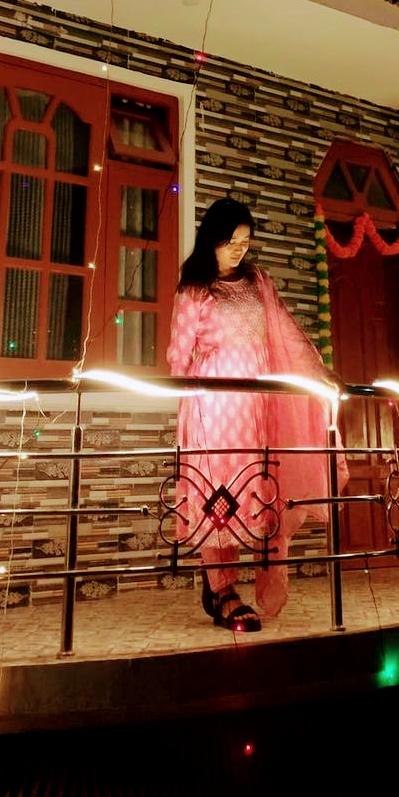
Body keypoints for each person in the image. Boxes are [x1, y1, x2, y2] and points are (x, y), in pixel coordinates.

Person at [166, 196, 346, 631]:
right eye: (231, 242)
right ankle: (222, 589)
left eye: (245, 243)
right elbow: (178, 355)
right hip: (214, 408)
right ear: (212, 239)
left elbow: (287, 332)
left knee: (258, 491)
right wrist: (190, 405)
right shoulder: (196, 289)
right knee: (219, 495)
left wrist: (319, 373)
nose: (238, 250)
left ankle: (242, 581)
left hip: (259, 408)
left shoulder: (259, 282)